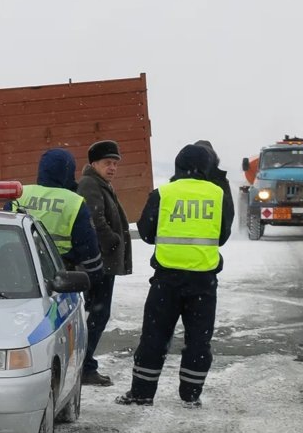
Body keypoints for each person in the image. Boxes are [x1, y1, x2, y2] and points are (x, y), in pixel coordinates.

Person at [115, 143, 233, 408]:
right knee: (199, 341)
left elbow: (145, 232)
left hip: (166, 281)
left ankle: (142, 393)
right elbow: (223, 236)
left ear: (178, 166)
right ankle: (191, 394)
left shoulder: (164, 193)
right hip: (203, 281)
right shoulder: (218, 194)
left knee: (154, 337)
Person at [76, 140, 133, 386]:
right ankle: (84, 366)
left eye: (115, 163)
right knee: (96, 315)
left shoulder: (101, 183)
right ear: (93, 164)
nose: (112, 167)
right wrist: (112, 240)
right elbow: (93, 219)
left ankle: (84, 365)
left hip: (101, 263)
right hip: (98, 264)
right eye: (107, 163)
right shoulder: (90, 184)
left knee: (96, 315)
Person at [12, 148, 103, 281]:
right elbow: (86, 243)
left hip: (21, 269)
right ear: (68, 171)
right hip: (60, 271)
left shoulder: (20, 193)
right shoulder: (73, 201)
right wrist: (95, 272)